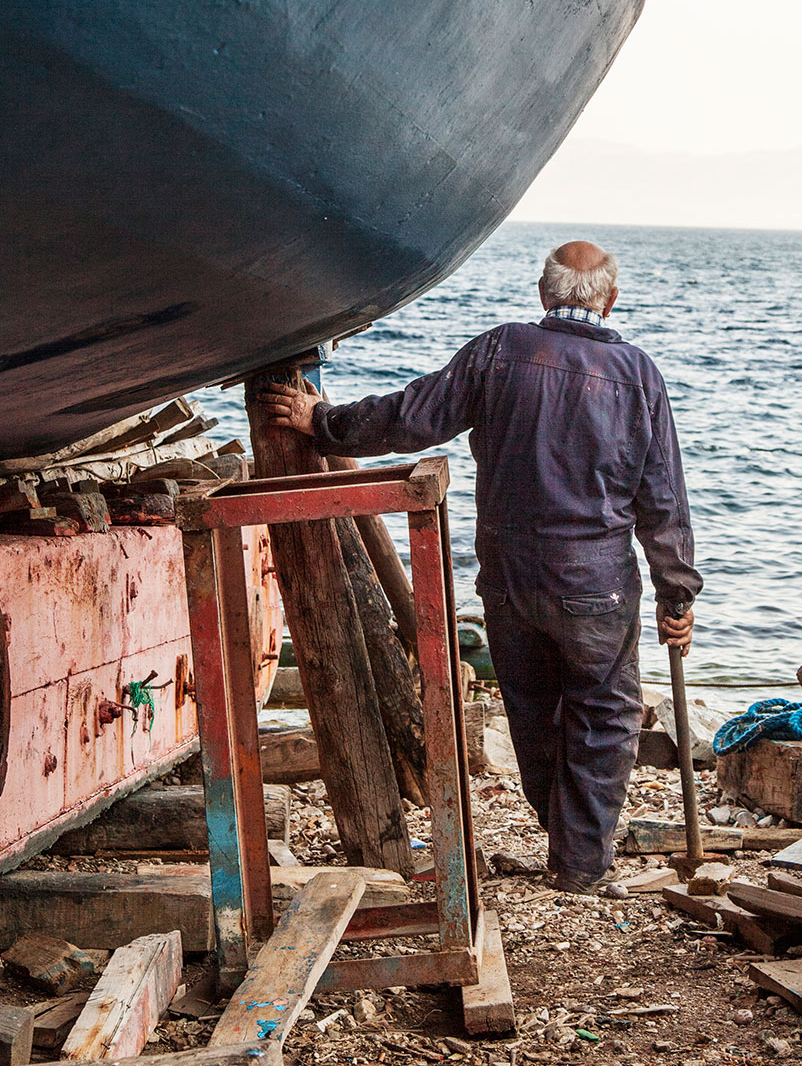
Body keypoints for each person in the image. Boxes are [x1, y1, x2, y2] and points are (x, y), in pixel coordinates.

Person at [260, 240, 702, 893]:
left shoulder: (501, 350)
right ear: (610, 300)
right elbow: (661, 500)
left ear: (543, 294)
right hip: (595, 579)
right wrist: (677, 594)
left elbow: (411, 418)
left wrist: (323, 421)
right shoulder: (638, 375)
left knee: (531, 707)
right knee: (603, 714)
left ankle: (565, 843)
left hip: (510, 574)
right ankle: (578, 862)